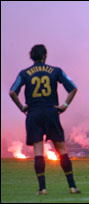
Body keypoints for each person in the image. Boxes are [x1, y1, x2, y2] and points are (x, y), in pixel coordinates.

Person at [9, 44, 80, 195]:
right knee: (61, 150)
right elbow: (73, 87)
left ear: (32, 57)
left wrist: (22, 107)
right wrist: (65, 105)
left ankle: (42, 188)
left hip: (33, 114)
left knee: (38, 151)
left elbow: (12, 92)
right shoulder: (56, 71)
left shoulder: (24, 73)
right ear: (45, 56)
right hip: (51, 112)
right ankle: (72, 186)